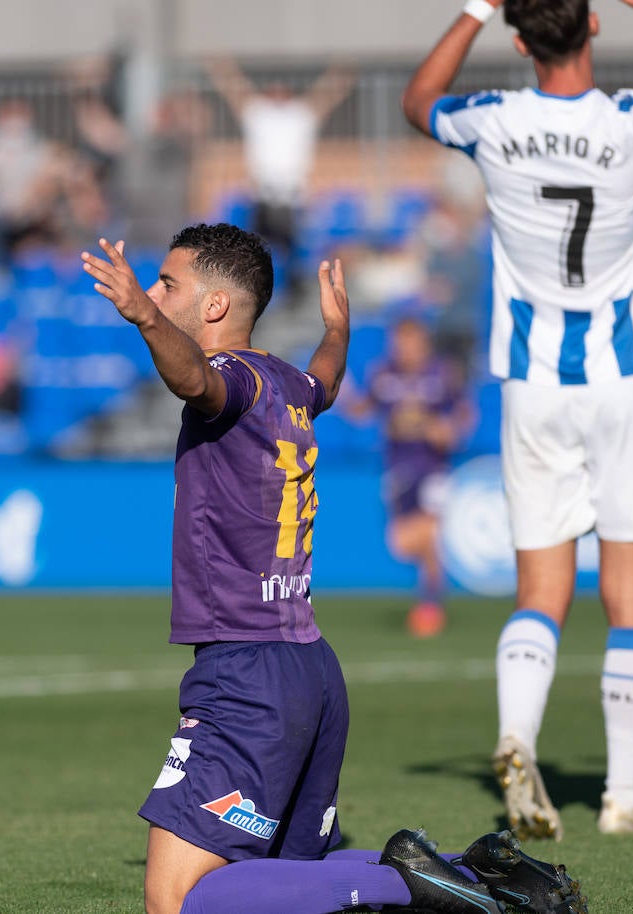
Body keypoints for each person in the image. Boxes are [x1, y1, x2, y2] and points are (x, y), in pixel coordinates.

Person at [81, 223, 586, 914]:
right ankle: (469, 875)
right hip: (310, 670)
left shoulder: (229, 381)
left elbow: (194, 378)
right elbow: (328, 376)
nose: (155, 291)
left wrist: (142, 315)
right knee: (292, 878)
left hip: (248, 674)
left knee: (178, 897)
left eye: (170, 284)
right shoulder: (288, 384)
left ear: (217, 305)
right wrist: (338, 327)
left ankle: (408, 880)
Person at [401, 0, 633, 839]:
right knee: (631, 590)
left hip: (533, 382)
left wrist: (471, 10)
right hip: (625, 378)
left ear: (519, 38)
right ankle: (624, 797)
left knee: (541, 587)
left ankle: (516, 735)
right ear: (594, 27)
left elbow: (416, 97)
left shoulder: (490, 121)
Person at [350, 316, 472, 637]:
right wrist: (343, 394)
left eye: (409, 341)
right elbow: (363, 412)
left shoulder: (441, 373)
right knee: (402, 543)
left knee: (429, 532)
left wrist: (449, 430)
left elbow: (464, 413)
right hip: (398, 468)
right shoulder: (384, 374)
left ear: (423, 343)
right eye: (398, 342)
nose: (403, 349)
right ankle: (430, 591)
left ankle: (430, 606)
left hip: (432, 468)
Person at [204, 58, 354, 264]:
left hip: (292, 196)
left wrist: (345, 68)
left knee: (291, 249)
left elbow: (327, 95)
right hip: (262, 194)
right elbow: (234, 90)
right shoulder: (259, 114)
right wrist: (221, 66)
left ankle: (292, 285)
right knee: (255, 251)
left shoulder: (300, 116)